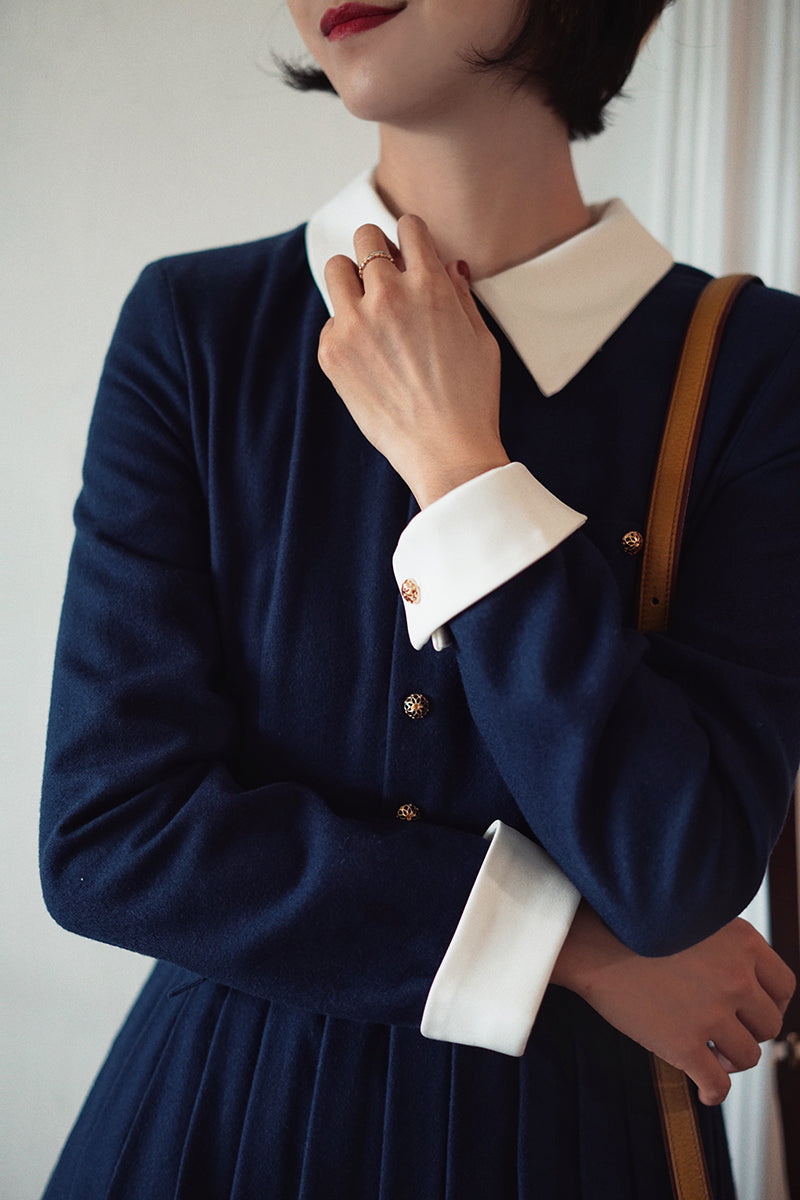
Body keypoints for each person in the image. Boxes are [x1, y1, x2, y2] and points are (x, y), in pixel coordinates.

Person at [39, 1, 800, 1196]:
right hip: (218, 1131)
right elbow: (109, 835)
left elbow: (676, 868)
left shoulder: (759, 368)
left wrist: (460, 464)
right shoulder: (196, 331)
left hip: (573, 1148)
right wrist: (566, 948)